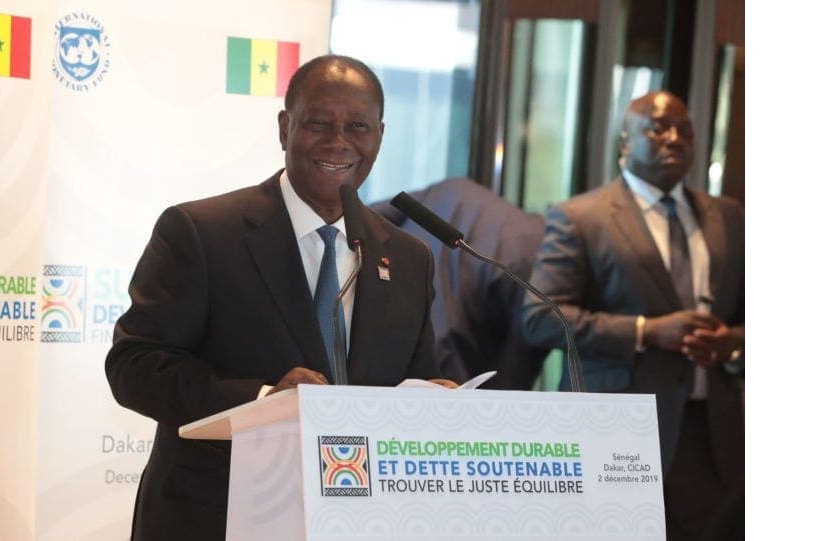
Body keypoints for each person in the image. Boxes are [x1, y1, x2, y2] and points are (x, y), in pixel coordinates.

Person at [105, 55, 451, 541]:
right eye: (318, 123)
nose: (338, 141)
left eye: (357, 126)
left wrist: (436, 402)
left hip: (353, 520)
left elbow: (411, 382)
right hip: (215, 516)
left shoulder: (409, 257)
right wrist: (264, 401)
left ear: (380, 135)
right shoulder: (201, 232)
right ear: (285, 127)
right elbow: (135, 367)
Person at [521, 91, 744, 540]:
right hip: (616, 435)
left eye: (684, 130)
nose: (674, 139)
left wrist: (733, 341)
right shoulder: (581, 217)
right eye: (658, 128)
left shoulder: (729, 216)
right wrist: (645, 331)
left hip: (712, 434)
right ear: (625, 142)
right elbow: (541, 318)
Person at [371, 177, 550, 389]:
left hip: (421, 328)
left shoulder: (452, 190)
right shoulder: (535, 256)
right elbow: (514, 371)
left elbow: (374, 215)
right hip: (445, 348)